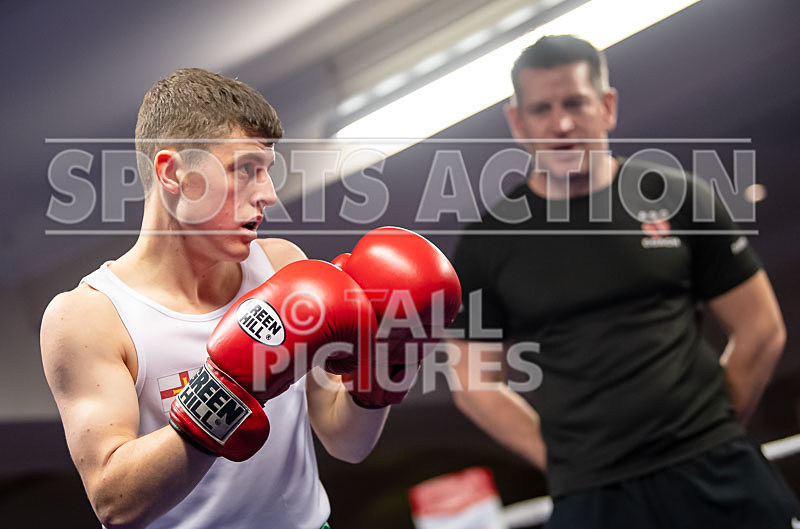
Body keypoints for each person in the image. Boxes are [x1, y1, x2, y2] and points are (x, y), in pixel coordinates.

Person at [40, 68, 459, 529]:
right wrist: (224, 394)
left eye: (267, 171)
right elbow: (114, 502)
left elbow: (346, 443)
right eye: (246, 170)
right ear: (174, 173)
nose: (269, 195)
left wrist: (386, 364)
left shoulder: (281, 267)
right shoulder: (90, 316)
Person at [448, 35, 799, 528]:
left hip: (718, 470)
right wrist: (567, 461)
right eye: (542, 109)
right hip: (594, 498)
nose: (562, 123)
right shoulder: (487, 243)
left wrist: (709, 427)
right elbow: (473, 384)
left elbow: (762, 328)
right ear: (517, 122)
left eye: (575, 103)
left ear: (606, 106)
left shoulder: (679, 197)